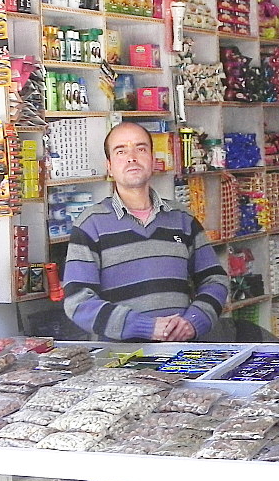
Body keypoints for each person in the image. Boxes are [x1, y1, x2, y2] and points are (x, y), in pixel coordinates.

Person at [63, 121, 229, 342]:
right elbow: (78, 302)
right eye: (120, 151)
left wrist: (194, 321)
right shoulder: (91, 224)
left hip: (180, 354)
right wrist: (145, 327)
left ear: (152, 160)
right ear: (109, 166)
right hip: (119, 364)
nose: (132, 157)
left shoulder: (181, 218)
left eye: (140, 149)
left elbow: (215, 279)